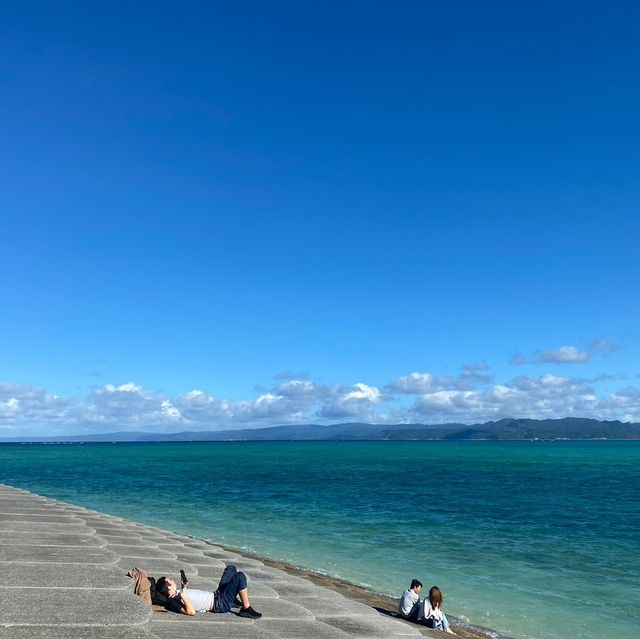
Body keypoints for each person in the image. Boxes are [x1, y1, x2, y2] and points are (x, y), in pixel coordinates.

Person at [155, 564, 262, 619]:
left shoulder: (177, 593)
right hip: (220, 603)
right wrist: (184, 596)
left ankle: (232, 598)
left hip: (217, 595)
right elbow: (191, 612)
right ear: (168, 588)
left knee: (231, 568)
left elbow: (191, 598)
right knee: (240, 576)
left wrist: (184, 587)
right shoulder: (172, 602)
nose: (173, 580)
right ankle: (246, 608)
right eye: (170, 581)